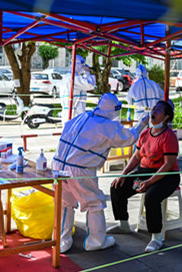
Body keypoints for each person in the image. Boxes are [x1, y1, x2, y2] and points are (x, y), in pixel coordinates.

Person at [52, 93, 149, 253]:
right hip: (79, 168)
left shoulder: (82, 116)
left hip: (58, 165)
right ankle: (95, 241)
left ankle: (61, 241)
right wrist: (142, 124)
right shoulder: (108, 126)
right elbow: (129, 138)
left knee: (64, 203)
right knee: (94, 203)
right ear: (114, 110)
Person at [108, 100, 180, 252]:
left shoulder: (169, 136)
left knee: (152, 197)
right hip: (144, 172)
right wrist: (123, 174)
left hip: (167, 176)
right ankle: (123, 224)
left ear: (166, 117)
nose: (153, 111)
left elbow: (168, 164)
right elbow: (136, 157)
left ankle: (156, 237)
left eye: (158, 110)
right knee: (117, 186)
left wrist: (149, 182)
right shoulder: (146, 133)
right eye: (154, 108)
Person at [61, 55, 96, 124]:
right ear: (77, 65)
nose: (82, 67)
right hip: (75, 113)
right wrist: (87, 72)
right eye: (82, 65)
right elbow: (91, 85)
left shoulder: (66, 77)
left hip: (68, 112)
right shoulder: (75, 78)